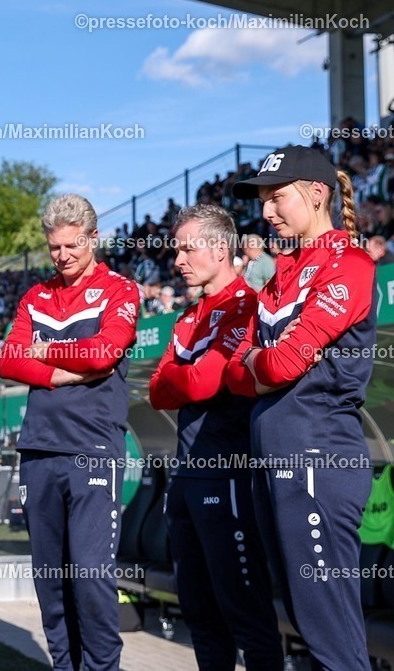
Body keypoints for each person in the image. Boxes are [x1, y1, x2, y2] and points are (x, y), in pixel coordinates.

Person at [225, 145, 377, 671]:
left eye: (276, 197)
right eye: (262, 200)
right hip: (277, 457)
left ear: (317, 194)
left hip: (319, 459)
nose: (265, 211)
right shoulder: (278, 273)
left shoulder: (351, 264)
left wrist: (263, 359)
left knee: (328, 630)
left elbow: (281, 364)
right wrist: (263, 359)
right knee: (304, 619)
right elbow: (235, 370)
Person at [0, 193, 139, 670]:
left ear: (93, 238)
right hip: (39, 449)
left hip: (93, 448)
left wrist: (42, 351)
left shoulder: (121, 290)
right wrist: (61, 372)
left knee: (91, 575)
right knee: (50, 580)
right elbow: (6, 358)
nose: (63, 256)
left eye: (72, 246)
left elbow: (103, 355)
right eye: (54, 247)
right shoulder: (35, 296)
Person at [149, 204, 283, 670]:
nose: (178, 260)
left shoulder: (247, 305)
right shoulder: (187, 317)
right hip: (186, 480)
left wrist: (182, 376)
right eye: (177, 250)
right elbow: (156, 392)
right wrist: (186, 376)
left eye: (188, 249)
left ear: (221, 248)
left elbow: (199, 383)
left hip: (227, 479)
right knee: (200, 617)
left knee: (246, 615)